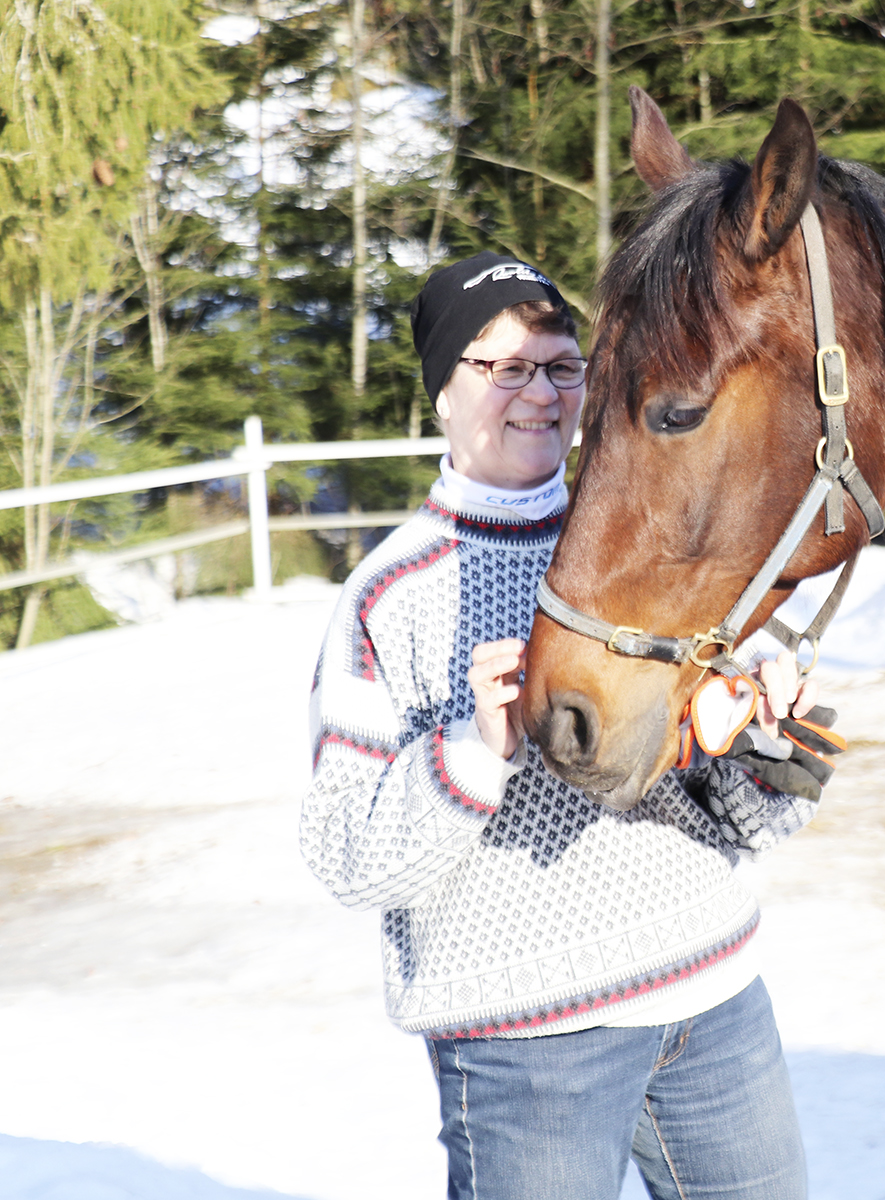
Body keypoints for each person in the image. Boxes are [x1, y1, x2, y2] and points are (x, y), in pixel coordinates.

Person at [300, 252, 829, 1200]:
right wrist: (472, 751)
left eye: (560, 365)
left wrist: (758, 737)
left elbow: (748, 817)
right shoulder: (387, 597)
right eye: (504, 367)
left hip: (715, 1006)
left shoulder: (654, 545)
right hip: (525, 1053)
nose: (540, 392)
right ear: (442, 392)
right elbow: (345, 856)